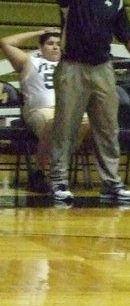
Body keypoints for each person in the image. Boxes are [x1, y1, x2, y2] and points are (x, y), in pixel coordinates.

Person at [36, 0, 130, 204]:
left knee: (108, 127)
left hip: (103, 69)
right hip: (72, 68)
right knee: (66, 126)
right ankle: (59, 181)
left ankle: (111, 183)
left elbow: (127, 34)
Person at [0, 27, 89, 193]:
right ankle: (40, 172)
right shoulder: (30, 61)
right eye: (50, 43)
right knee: (53, 122)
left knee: (86, 121)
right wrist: (38, 33)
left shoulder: (70, 64)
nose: (55, 47)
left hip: (68, 111)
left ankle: (57, 171)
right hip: (40, 111)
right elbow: (5, 43)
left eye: (58, 44)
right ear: (41, 47)